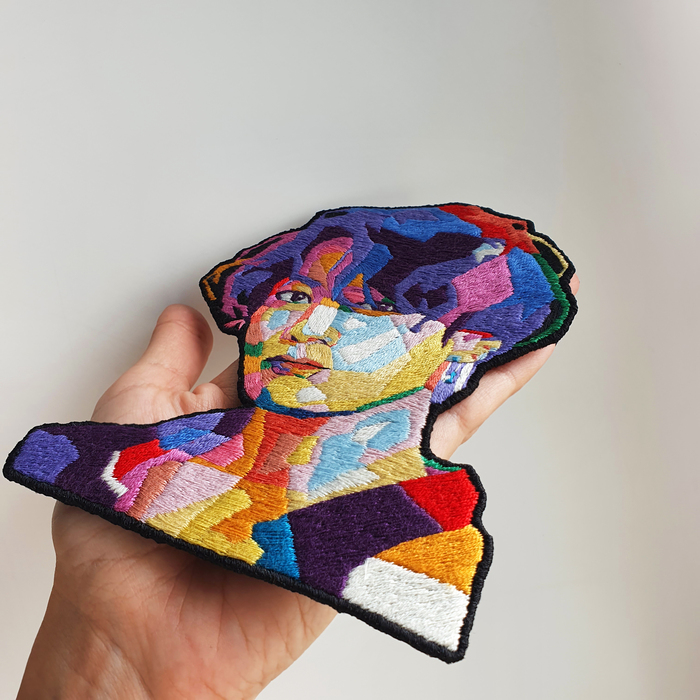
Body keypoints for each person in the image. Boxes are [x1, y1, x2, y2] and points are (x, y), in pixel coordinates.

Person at [13, 206, 578, 698]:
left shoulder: (427, 554)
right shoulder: (84, 459)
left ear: (459, 353)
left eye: (371, 309)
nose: (307, 327)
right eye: (294, 296)